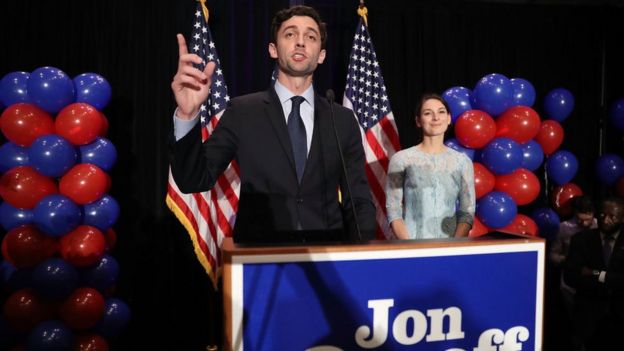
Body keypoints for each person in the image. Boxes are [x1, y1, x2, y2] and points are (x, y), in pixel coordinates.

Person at [170, 5, 376, 243]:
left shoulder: (341, 119)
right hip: (260, 260)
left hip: (325, 258)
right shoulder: (242, 112)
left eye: (310, 36)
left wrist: (364, 257)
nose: (300, 42)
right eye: (290, 34)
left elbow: (358, 200)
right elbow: (193, 179)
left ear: (321, 55)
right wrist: (188, 114)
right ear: (273, 49)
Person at [385, 93, 475, 239]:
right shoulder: (400, 159)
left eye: (441, 112)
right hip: (412, 249)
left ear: (449, 118)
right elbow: (393, 209)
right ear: (418, 121)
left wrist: (455, 246)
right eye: (428, 113)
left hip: (450, 250)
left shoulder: (462, 162)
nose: (436, 118)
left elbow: (467, 211)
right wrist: (410, 248)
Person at [564, 197, 624, 351]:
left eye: (613, 216)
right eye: (602, 215)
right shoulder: (581, 240)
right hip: (587, 315)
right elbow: (570, 276)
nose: (606, 220)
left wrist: (596, 273)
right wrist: (611, 278)